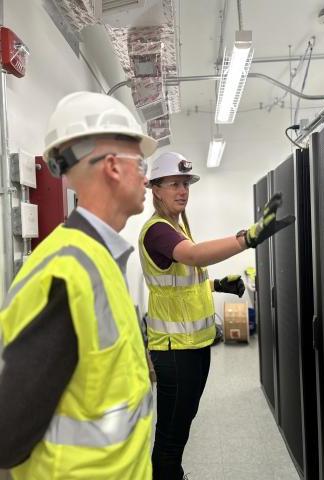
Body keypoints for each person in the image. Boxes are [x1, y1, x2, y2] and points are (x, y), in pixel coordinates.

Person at [0, 91, 157, 480]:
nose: (147, 176)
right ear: (113, 167)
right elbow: (8, 433)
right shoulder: (67, 273)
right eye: (142, 162)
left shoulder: (100, 257)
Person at [138, 151, 295, 480]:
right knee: (171, 435)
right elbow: (194, 256)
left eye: (186, 184)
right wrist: (247, 238)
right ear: (155, 188)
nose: (182, 190)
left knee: (181, 424)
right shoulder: (158, 231)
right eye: (174, 184)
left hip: (192, 345)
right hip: (174, 350)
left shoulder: (177, 226)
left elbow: (181, 284)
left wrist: (216, 284)